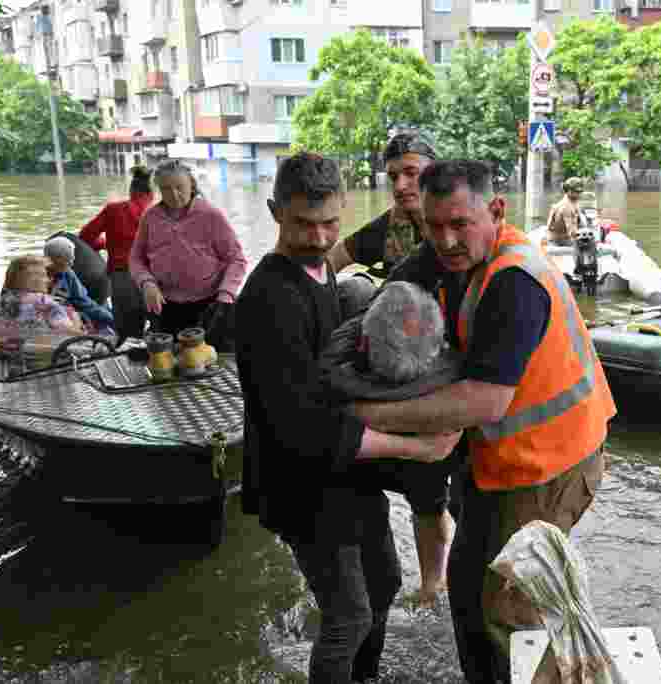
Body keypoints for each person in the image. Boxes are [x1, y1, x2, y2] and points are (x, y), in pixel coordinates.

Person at [348, 160, 617, 684]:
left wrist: (363, 415)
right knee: (468, 588)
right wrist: (367, 331)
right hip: (501, 463)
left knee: (508, 611)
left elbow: (485, 402)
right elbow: (403, 282)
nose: (444, 240)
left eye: (459, 225)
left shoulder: (515, 282)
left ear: (496, 211)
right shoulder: (446, 250)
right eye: (433, 225)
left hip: (552, 467)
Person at [234, 152, 463, 684]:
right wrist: (416, 449)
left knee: (383, 584)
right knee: (348, 614)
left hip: (346, 476)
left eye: (329, 224)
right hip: (298, 482)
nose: (318, 238)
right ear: (275, 212)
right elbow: (302, 428)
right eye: (302, 225)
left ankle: (365, 677)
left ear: (345, 209)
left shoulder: (322, 274)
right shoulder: (268, 300)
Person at [129, 160, 247, 344]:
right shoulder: (150, 217)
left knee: (213, 360)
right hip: (166, 305)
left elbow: (237, 259)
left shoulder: (211, 215)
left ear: (192, 185)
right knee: (171, 362)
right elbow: (136, 258)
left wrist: (226, 295)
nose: (174, 195)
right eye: (166, 189)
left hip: (211, 305)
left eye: (179, 187)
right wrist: (147, 283)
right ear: (158, 190)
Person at [327, 131, 436, 278]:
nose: (399, 186)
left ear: (435, 172)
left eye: (411, 173)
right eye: (393, 177)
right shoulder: (391, 224)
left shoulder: (462, 214)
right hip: (405, 296)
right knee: (356, 288)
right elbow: (334, 257)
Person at [79, 165, 155, 341]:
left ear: (131, 190)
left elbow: (86, 236)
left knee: (127, 336)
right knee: (159, 332)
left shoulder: (113, 210)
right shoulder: (158, 213)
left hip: (122, 278)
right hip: (154, 280)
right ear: (151, 194)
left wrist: (106, 244)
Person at [0, 256, 85, 356]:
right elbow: (72, 334)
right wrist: (77, 321)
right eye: (44, 275)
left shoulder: (2, 302)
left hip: (16, 359)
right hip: (50, 359)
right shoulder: (45, 303)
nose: (49, 280)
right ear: (33, 280)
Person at [43, 236, 115, 333]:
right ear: (54, 259)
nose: (71, 263)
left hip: (67, 318)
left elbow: (84, 302)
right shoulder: (37, 274)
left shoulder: (68, 273)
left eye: (72, 259)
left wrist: (113, 320)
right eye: (68, 260)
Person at [545, 176, 584, 246]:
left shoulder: (572, 203)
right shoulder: (566, 207)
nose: (579, 194)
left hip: (559, 239)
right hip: (560, 241)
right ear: (569, 191)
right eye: (577, 192)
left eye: (580, 192)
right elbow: (572, 233)